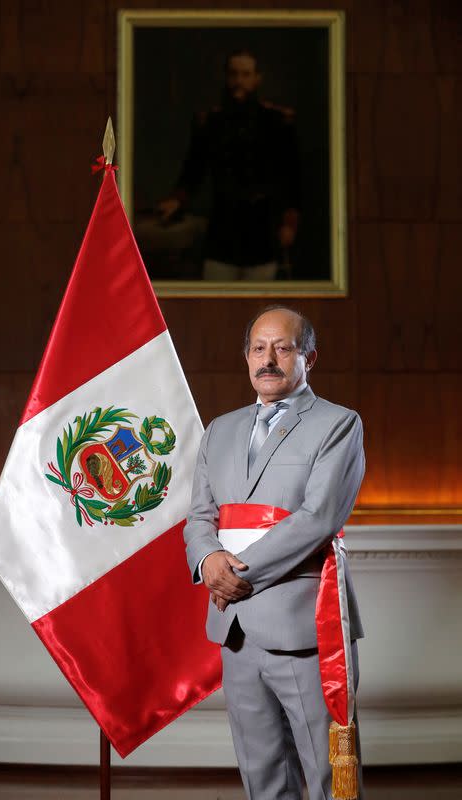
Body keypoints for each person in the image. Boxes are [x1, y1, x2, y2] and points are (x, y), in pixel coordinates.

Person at [183, 306, 365, 800]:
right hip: (234, 629)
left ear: (308, 357)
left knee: (329, 777)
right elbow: (200, 516)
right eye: (259, 348)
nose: (269, 359)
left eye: (283, 348)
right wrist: (207, 562)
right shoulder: (220, 429)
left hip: (303, 624)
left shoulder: (338, 424)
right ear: (246, 357)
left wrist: (237, 575)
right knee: (262, 777)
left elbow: (319, 517)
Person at [158, 50, 301, 281]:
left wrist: (289, 223)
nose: (239, 81)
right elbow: (193, 169)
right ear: (226, 77)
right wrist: (177, 199)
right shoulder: (211, 123)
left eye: (246, 74)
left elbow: (292, 177)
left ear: (257, 78)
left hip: (263, 231)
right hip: (223, 231)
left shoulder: (277, 123)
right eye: (234, 74)